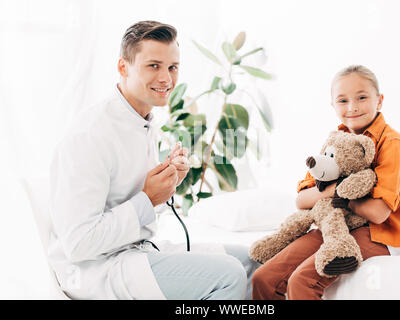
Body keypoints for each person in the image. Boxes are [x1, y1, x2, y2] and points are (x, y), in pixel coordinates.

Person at [48, 20, 258, 300]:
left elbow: (133, 204)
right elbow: (79, 243)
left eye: (172, 67)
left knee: (252, 259)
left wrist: (168, 182)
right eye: (153, 66)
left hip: (135, 252)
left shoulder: (142, 121)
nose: (166, 79)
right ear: (123, 67)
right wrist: (148, 198)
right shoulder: (90, 135)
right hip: (97, 269)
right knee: (229, 274)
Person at [251, 65, 400, 300]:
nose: (352, 107)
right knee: (263, 278)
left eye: (362, 97)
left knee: (302, 281)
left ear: (379, 101)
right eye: (342, 100)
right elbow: (302, 200)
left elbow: (379, 213)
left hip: (381, 234)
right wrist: (334, 193)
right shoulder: (335, 141)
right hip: (335, 224)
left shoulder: (393, 144)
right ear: (332, 105)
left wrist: (338, 198)